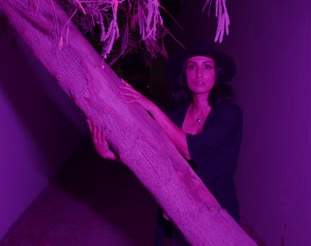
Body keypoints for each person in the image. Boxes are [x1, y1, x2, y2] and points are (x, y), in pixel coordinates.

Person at [87, 41, 242, 246]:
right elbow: (155, 159)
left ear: (217, 73)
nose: (199, 74)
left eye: (207, 66)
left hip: (216, 209)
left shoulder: (229, 114)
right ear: (184, 74)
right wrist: (111, 155)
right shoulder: (176, 117)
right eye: (191, 66)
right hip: (178, 204)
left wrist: (150, 106)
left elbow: (189, 149)